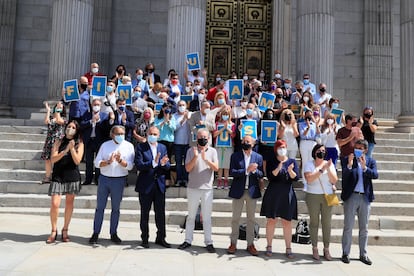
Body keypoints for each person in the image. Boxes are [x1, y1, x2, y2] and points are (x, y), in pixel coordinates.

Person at [89, 125, 135, 245]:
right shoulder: (105, 145)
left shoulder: (129, 146)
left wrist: (120, 161)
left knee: (115, 209)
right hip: (104, 179)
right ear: (112, 134)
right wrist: (108, 162)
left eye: (122, 134)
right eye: (118, 134)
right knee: (100, 208)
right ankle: (95, 232)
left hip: (119, 180)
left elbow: (130, 166)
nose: (120, 136)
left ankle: (113, 233)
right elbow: (97, 162)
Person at [178, 128, 219, 253]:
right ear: (197, 137)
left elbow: (216, 168)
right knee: (191, 216)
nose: (203, 139)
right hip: (193, 188)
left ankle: (208, 242)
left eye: (205, 137)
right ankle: (188, 240)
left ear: (208, 138)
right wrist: (196, 157)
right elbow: (188, 168)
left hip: (207, 189)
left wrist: (206, 159)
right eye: (200, 137)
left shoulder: (212, 151)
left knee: (206, 217)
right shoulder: (191, 151)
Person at [341, 139, 378, 265]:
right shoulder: (347, 159)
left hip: (365, 198)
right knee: (348, 227)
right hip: (351, 196)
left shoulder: (371, 161)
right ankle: (346, 253)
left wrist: (364, 168)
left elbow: (375, 175)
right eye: (356, 147)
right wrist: (350, 165)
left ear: (365, 150)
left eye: (360, 148)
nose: (357, 150)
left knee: (364, 228)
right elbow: (345, 176)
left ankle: (363, 254)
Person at [46, 121, 84, 243]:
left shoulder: (80, 143)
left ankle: (65, 229)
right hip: (58, 175)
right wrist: (65, 150)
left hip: (72, 176)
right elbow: (53, 159)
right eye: (69, 127)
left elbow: (78, 161)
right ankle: (53, 230)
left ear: (76, 130)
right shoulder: (58, 141)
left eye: (73, 127)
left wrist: (72, 149)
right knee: (55, 204)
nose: (70, 129)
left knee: (69, 203)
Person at [260, 140, 299, 258]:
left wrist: (290, 171)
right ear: (276, 149)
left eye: (284, 147)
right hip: (273, 192)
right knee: (271, 220)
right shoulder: (272, 160)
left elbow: (296, 178)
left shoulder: (292, 161)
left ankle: (288, 247)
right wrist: (279, 167)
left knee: (287, 221)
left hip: (287, 193)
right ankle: (269, 245)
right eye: (280, 147)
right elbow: (270, 176)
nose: (282, 149)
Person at [227, 135, 263, 256]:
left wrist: (254, 171)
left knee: (251, 219)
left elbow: (261, 173)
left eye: (247, 141)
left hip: (252, 191)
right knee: (235, 218)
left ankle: (250, 243)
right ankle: (233, 243)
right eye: (243, 141)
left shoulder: (258, 157)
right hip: (238, 191)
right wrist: (246, 171)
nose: (245, 143)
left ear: (253, 144)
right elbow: (232, 172)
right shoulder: (235, 156)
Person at [135, 126, 171, 248]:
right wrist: (154, 163)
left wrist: (163, 164)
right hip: (145, 185)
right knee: (145, 213)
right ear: (147, 134)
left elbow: (167, 165)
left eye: (155, 134)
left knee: (160, 213)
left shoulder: (163, 147)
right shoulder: (141, 147)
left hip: (159, 185)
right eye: (151, 133)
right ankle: (144, 238)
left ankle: (161, 238)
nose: (153, 135)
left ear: (159, 135)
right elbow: (139, 165)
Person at [304, 144, 338, 261]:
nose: (321, 152)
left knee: (327, 223)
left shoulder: (330, 164)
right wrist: (322, 169)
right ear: (314, 152)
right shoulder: (309, 164)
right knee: (314, 222)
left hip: (327, 195)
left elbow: (334, 180)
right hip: (313, 195)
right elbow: (309, 179)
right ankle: (314, 247)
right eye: (319, 150)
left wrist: (327, 168)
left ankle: (326, 248)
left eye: (323, 151)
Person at [80, 99, 111, 185]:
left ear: (101, 106)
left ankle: (98, 179)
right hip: (89, 141)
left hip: (99, 141)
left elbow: (106, 129)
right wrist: (91, 121)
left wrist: (98, 122)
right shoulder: (87, 115)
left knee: (98, 161)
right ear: (91, 105)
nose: (96, 106)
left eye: (98, 104)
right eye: (94, 104)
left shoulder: (104, 116)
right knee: (89, 162)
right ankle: (88, 179)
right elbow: (82, 125)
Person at [41, 101, 66, 184]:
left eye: (60, 107)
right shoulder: (52, 118)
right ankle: (47, 177)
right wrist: (48, 110)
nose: (58, 108)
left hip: (57, 141)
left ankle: (57, 176)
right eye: (57, 106)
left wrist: (58, 111)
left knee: (55, 158)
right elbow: (46, 121)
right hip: (49, 140)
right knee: (47, 159)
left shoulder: (63, 118)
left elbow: (59, 120)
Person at [213, 108, 235, 189]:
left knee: (226, 165)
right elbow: (214, 135)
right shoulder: (217, 124)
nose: (225, 116)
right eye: (224, 114)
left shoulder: (232, 125)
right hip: (219, 146)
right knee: (219, 165)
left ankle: (226, 180)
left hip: (228, 146)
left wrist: (227, 128)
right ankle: (219, 180)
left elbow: (233, 135)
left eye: (227, 114)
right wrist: (223, 128)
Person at [173, 100, 191, 186]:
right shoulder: (174, 116)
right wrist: (184, 119)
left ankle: (187, 179)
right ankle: (179, 179)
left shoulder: (190, 114)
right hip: (178, 143)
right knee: (178, 163)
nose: (181, 106)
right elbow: (174, 128)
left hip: (187, 142)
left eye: (183, 105)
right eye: (180, 105)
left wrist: (188, 118)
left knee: (187, 162)